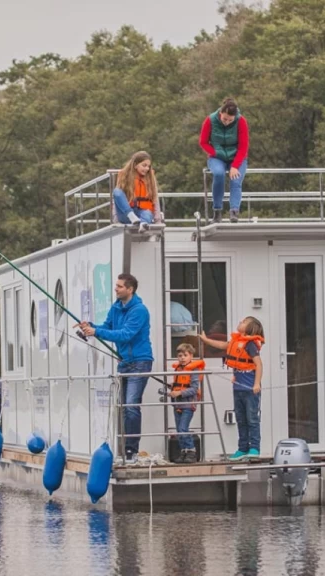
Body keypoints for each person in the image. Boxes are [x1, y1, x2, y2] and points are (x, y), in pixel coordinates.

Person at [76, 273, 153, 463]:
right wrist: (90, 327)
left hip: (140, 362)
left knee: (131, 406)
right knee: (123, 407)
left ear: (130, 289)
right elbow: (107, 326)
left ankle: (131, 451)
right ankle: (125, 450)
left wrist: (97, 331)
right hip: (124, 363)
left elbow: (126, 334)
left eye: (119, 286)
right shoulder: (116, 307)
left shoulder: (139, 310)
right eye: (116, 286)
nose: (116, 289)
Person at [200, 316, 264, 462]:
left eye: (244, 322)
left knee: (252, 419)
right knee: (241, 420)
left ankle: (254, 448)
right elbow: (223, 345)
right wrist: (206, 340)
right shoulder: (236, 342)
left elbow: (259, 365)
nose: (240, 322)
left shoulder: (250, 345)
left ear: (250, 328)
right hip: (238, 390)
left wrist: (257, 384)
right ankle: (242, 448)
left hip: (250, 391)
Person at [199, 97, 250, 223]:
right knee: (218, 174)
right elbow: (203, 142)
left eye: (230, 120)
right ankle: (217, 211)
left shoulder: (241, 121)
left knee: (236, 180)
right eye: (225, 119)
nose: (227, 122)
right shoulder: (210, 120)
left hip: (236, 157)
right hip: (217, 156)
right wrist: (215, 152)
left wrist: (235, 166)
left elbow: (243, 147)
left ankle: (234, 211)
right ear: (220, 113)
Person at [169, 343, 205, 464]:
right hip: (177, 404)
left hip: (188, 405)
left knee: (183, 428)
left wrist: (179, 393)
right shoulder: (178, 369)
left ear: (191, 356)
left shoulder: (193, 370)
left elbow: (194, 388)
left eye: (185, 355)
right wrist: (173, 391)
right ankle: (183, 451)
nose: (182, 358)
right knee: (179, 430)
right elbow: (178, 384)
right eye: (180, 355)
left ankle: (191, 451)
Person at [112, 151, 163, 229]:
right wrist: (116, 219)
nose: (147, 168)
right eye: (144, 165)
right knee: (117, 191)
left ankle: (143, 225)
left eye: (148, 166)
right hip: (126, 215)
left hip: (142, 214)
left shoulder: (150, 178)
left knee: (147, 213)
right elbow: (116, 199)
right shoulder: (124, 176)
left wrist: (158, 220)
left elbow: (155, 199)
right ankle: (133, 217)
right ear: (135, 165)